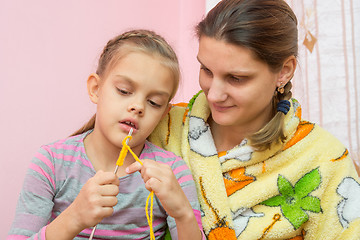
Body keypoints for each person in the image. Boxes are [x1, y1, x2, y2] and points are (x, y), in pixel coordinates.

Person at [146, 0, 360, 239]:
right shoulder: (159, 127)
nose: (214, 94)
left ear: (284, 71)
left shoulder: (324, 160)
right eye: (206, 70)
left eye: (236, 78)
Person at [8, 29, 204, 240]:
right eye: (123, 91)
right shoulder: (51, 162)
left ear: (164, 113)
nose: (137, 107)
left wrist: (183, 214)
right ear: (96, 88)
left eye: (153, 102)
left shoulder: (172, 172)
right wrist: (74, 217)